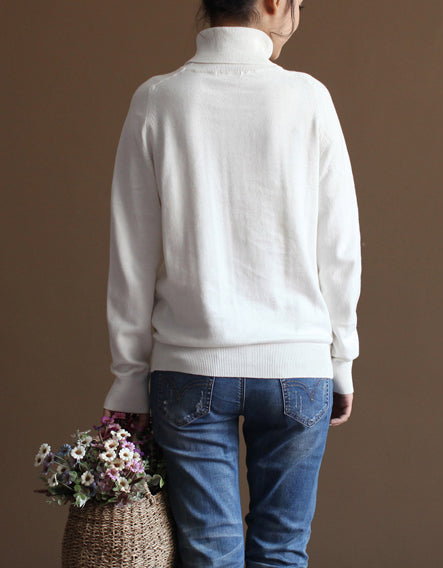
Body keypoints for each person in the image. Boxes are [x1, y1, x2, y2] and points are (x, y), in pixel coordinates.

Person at [101, 0, 362, 566]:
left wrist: (128, 382)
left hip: (189, 368)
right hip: (297, 366)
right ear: (272, 3)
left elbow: (131, 254)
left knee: (209, 555)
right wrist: (341, 358)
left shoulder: (158, 99)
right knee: (282, 551)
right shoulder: (308, 98)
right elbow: (340, 247)